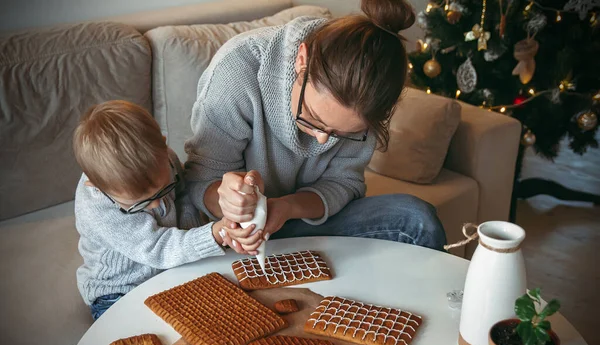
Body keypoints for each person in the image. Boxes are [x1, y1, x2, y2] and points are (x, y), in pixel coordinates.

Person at [185, 0, 446, 255]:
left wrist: (287, 208)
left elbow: (345, 183)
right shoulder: (237, 71)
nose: (322, 140)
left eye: (343, 134)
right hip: (234, 231)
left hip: (299, 217)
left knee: (416, 219)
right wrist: (230, 207)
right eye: (312, 117)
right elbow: (199, 181)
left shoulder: (369, 92)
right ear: (302, 60)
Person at [73, 100, 259, 320]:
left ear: (164, 146)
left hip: (170, 273)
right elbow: (156, 248)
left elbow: (184, 201)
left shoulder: (165, 160)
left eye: (163, 190)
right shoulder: (97, 206)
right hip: (120, 290)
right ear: (96, 185)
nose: (157, 205)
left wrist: (222, 227)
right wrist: (214, 234)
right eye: (140, 203)